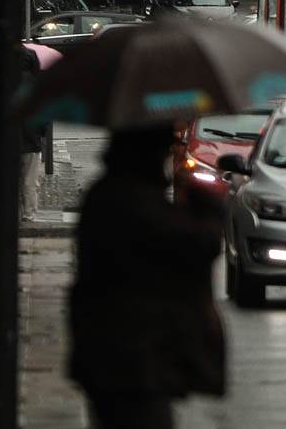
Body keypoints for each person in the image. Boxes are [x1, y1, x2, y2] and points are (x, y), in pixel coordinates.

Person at [70, 124, 226, 429]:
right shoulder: (130, 199)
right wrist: (208, 209)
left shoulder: (115, 193)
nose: (168, 157)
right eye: (164, 150)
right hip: (132, 359)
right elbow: (194, 245)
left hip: (121, 354)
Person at [18, 45, 44, 222]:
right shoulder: (36, 87)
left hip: (8, 140)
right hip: (31, 139)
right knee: (30, 181)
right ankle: (29, 214)